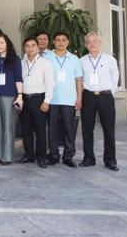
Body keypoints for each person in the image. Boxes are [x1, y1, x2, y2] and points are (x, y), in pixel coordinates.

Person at [80, 32, 120, 171]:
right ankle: (88, 158)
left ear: (100, 43)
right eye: (88, 42)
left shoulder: (110, 59)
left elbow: (115, 78)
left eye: (94, 41)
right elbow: (80, 80)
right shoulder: (82, 60)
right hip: (88, 96)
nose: (92, 44)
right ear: (85, 45)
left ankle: (110, 160)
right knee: (87, 129)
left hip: (105, 96)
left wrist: (110, 94)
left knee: (108, 129)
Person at [45, 31, 83, 167]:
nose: (61, 43)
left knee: (68, 129)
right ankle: (54, 155)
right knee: (52, 130)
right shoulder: (47, 58)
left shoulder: (74, 59)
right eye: (58, 40)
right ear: (54, 42)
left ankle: (68, 156)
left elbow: (78, 80)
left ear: (68, 42)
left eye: (64, 40)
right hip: (52, 99)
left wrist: (79, 98)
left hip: (69, 100)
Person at [18, 37, 54, 169]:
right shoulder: (21, 63)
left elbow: (50, 84)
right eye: (27, 45)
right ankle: (29, 155)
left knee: (40, 130)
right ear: (24, 48)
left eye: (33, 45)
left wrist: (47, 101)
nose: (30, 48)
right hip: (24, 99)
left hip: (39, 99)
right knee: (26, 129)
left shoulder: (45, 63)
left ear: (38, 47)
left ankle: (41, 157)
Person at [0, 33, 23, 165]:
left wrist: (20, 95)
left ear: (7, 44)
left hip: (9, 96)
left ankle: (8, 156)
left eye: (2, 43)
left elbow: (18, 78)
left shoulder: (15, 59)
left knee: (8, 126)